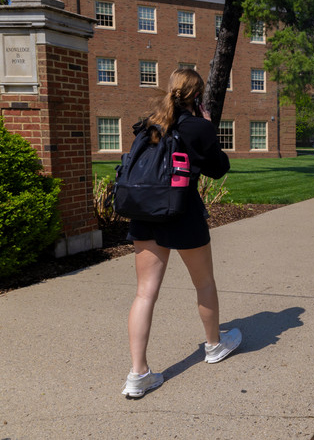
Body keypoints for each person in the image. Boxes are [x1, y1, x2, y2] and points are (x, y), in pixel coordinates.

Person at [122, 69, 241, 398]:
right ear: (198, 96)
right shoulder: (198, 126)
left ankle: (137, 374)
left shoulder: (149, 123)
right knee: (204, 283)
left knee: (145, 293)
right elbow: (219, 168)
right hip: (182, 213)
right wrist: (207, 126)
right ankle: (214, 346)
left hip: (146, 213)